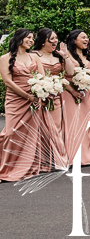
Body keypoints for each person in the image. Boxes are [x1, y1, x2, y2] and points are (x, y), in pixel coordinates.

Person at [0, 30, 51, 181]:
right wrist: (27, 96)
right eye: (28, 37)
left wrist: (40, 94)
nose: (31, 40)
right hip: (15, 99)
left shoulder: (34, 57)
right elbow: (8, 82)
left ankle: (26, 166)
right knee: (10, 133)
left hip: (34, 99)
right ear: (19, 38)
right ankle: (6, 166)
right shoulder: (5, 58)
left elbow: (42, 78)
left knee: (30, 133)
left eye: (32, 38)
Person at [35, 29, 72, 164]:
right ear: (42, 41)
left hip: (55, 96)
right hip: (39, 95)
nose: (55, 41)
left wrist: (66, 56)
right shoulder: (34, 55)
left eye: (56, 38)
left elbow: (70, 73)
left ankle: (59, 159)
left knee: (56, 128)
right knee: (39, 128)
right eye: (52, 38)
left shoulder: (58, 56)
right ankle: (42, 160)